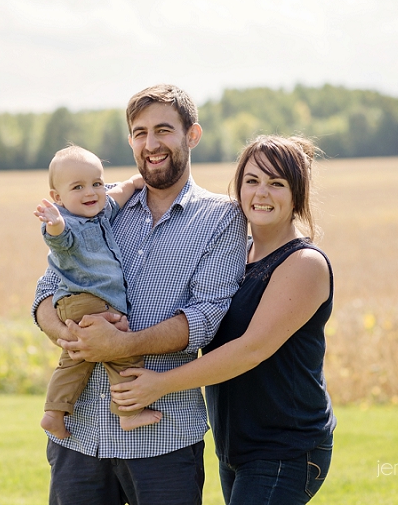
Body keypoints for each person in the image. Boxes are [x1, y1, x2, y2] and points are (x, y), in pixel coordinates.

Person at [32, 84, 247, 505]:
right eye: (140, 132)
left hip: (163, 438)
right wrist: (67, 334)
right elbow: (46, 290)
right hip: (80, 437)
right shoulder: (98, 202)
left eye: (164, 130)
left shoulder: (222, 218)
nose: (151, 144)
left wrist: (122, 343)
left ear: (192, 135)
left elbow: (205, 317)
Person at [111, 135, 337, 504]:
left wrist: (159, 384)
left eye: (277, 184)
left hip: (286, 447)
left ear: (297, 194)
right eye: (252, 181)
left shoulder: (304, 264)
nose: (261, 193)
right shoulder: (237, 253)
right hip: (237, 445)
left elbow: (250, 350)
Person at [34, 145, 162, 439]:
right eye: (77, 187)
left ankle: (54, 412)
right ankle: (128, 414)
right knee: (122, 352)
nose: (90, 192)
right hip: (85, 301)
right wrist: (55, 223)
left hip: (85, 303)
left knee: (76, 359)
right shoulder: (70, 225)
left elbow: (116, 197)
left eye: (97, 183)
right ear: (57, 197)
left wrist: (132, 184)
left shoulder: (100, 213)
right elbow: (58, 237)